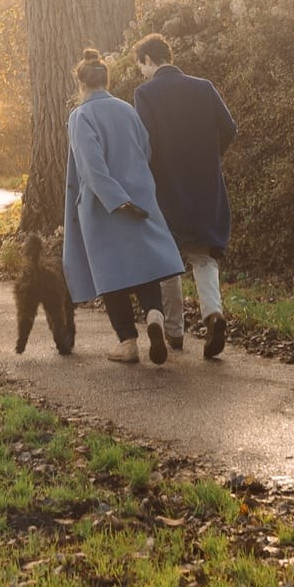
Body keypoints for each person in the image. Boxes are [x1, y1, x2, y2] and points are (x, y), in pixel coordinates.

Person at [62, 48, 184, 365]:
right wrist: (135, 188)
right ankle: (155, 315)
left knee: (110, 274)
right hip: (141, 196)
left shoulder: (81, 116)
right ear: (106, 79)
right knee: (144, 265)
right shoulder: (127, 109)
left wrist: (116, 200)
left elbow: (91, 167)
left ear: (81, 83)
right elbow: (145, 149)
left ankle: (128, 342)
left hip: (105, 206)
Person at [132, 31, 235, 359]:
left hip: (166, 186)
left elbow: (146, 143)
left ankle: (173, 331)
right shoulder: (203, 86)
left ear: (149, 59)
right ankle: (213, 315)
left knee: (167, 260)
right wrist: (210, 156)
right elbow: (229, 128)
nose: (142, 74)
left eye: (141, 67)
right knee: (203, 257)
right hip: (205, 184)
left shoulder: (145, 93)